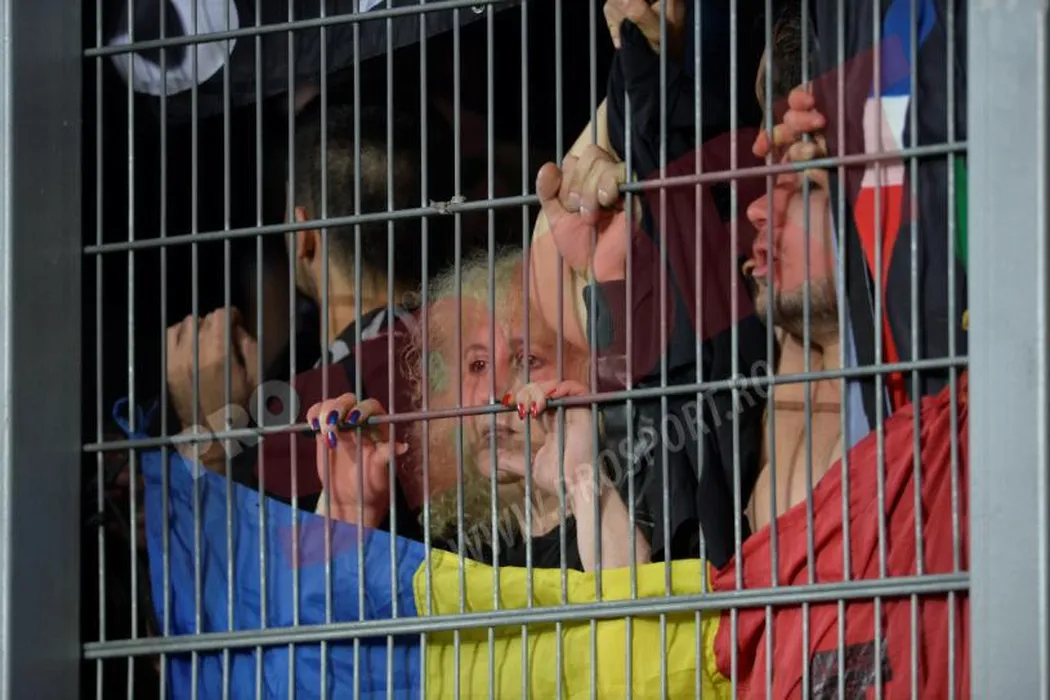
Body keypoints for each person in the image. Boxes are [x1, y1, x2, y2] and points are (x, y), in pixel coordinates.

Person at [306, 249, 651, 571]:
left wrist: (582, 481)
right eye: (477, 365)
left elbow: (634, 607)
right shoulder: (447, 549)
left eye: (528, 360)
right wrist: (349, 511)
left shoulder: (646, 502)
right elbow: (320, 611)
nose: (490, 393)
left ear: (588, 370)